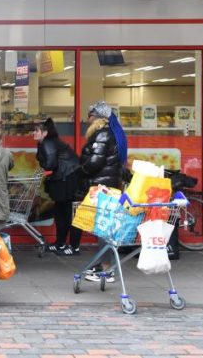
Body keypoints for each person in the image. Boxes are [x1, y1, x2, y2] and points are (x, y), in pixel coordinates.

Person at [79, 100, 128, 282]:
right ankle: (104, 265)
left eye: (90, 116)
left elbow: (94, 163)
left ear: (98, 118)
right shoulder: (111, 134)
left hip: (102, 187)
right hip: (108, 185)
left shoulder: (102, 135)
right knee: (104, 228)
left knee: (103, 229)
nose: (87, 119)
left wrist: (81, 169)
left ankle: (107, 270)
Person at [33, 118, 81, 255]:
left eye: (36, 130)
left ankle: (73, 247)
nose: (33, 133)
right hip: (67, 177)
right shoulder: (49, 142)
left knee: (68, 213)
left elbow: (50, 164)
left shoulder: (47, 143)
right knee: (62, 212)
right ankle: (61, 244)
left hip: (67, 179)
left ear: (45, 132)